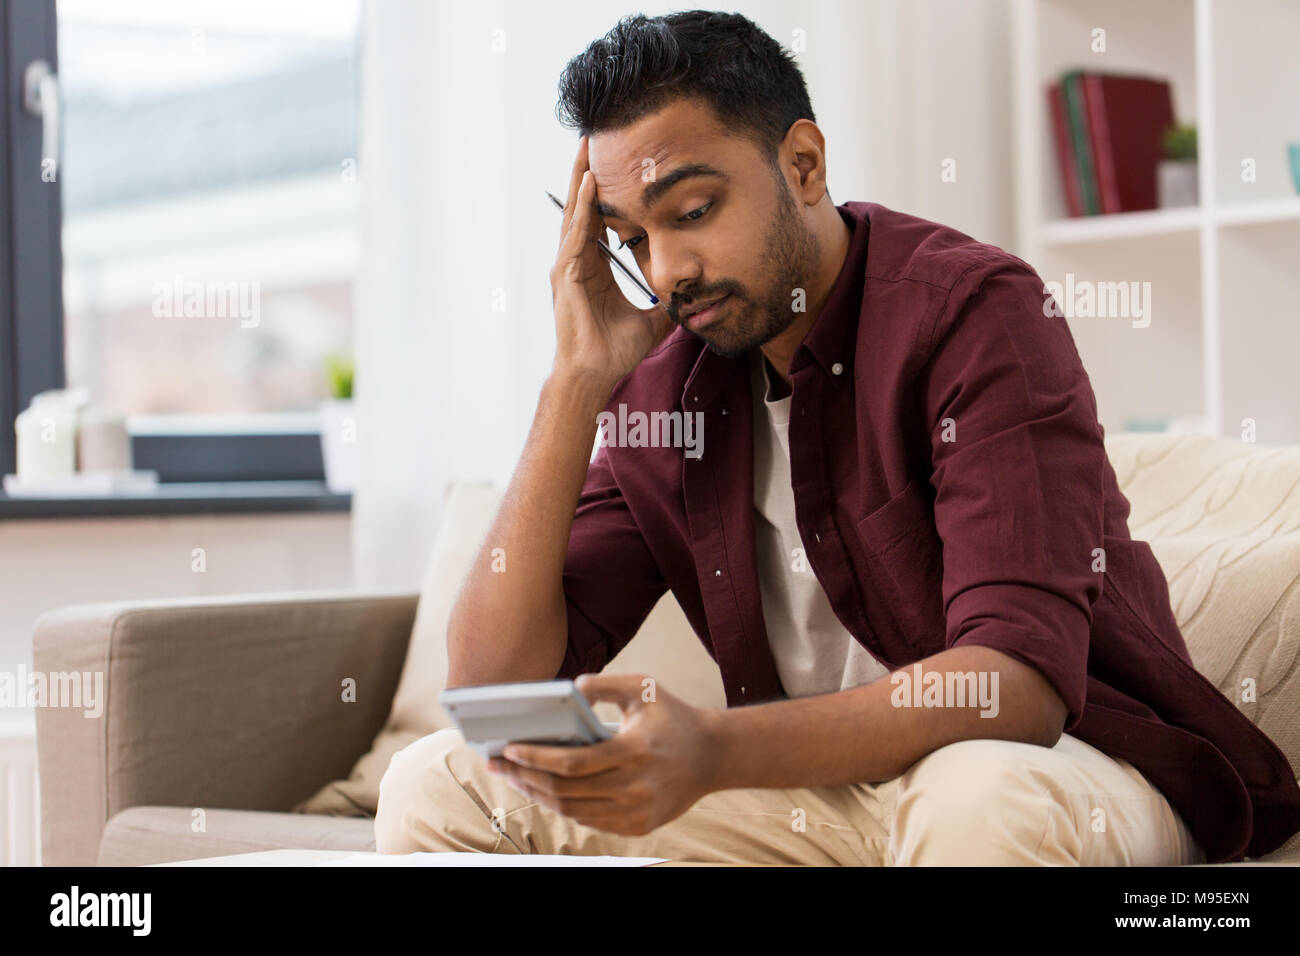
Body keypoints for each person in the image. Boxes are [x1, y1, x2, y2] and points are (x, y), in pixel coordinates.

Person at [374, 10, 1300, 865]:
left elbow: (1012, 686)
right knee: (441, 783)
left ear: (804, 164)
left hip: (1065, 766)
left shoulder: (971, 312)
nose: (667, 274)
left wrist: (715, 749)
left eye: (692, 212)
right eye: (631, 239)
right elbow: (491, 688)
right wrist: (574, 386)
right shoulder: (663, 384)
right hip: (819, 795)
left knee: (976, 800)